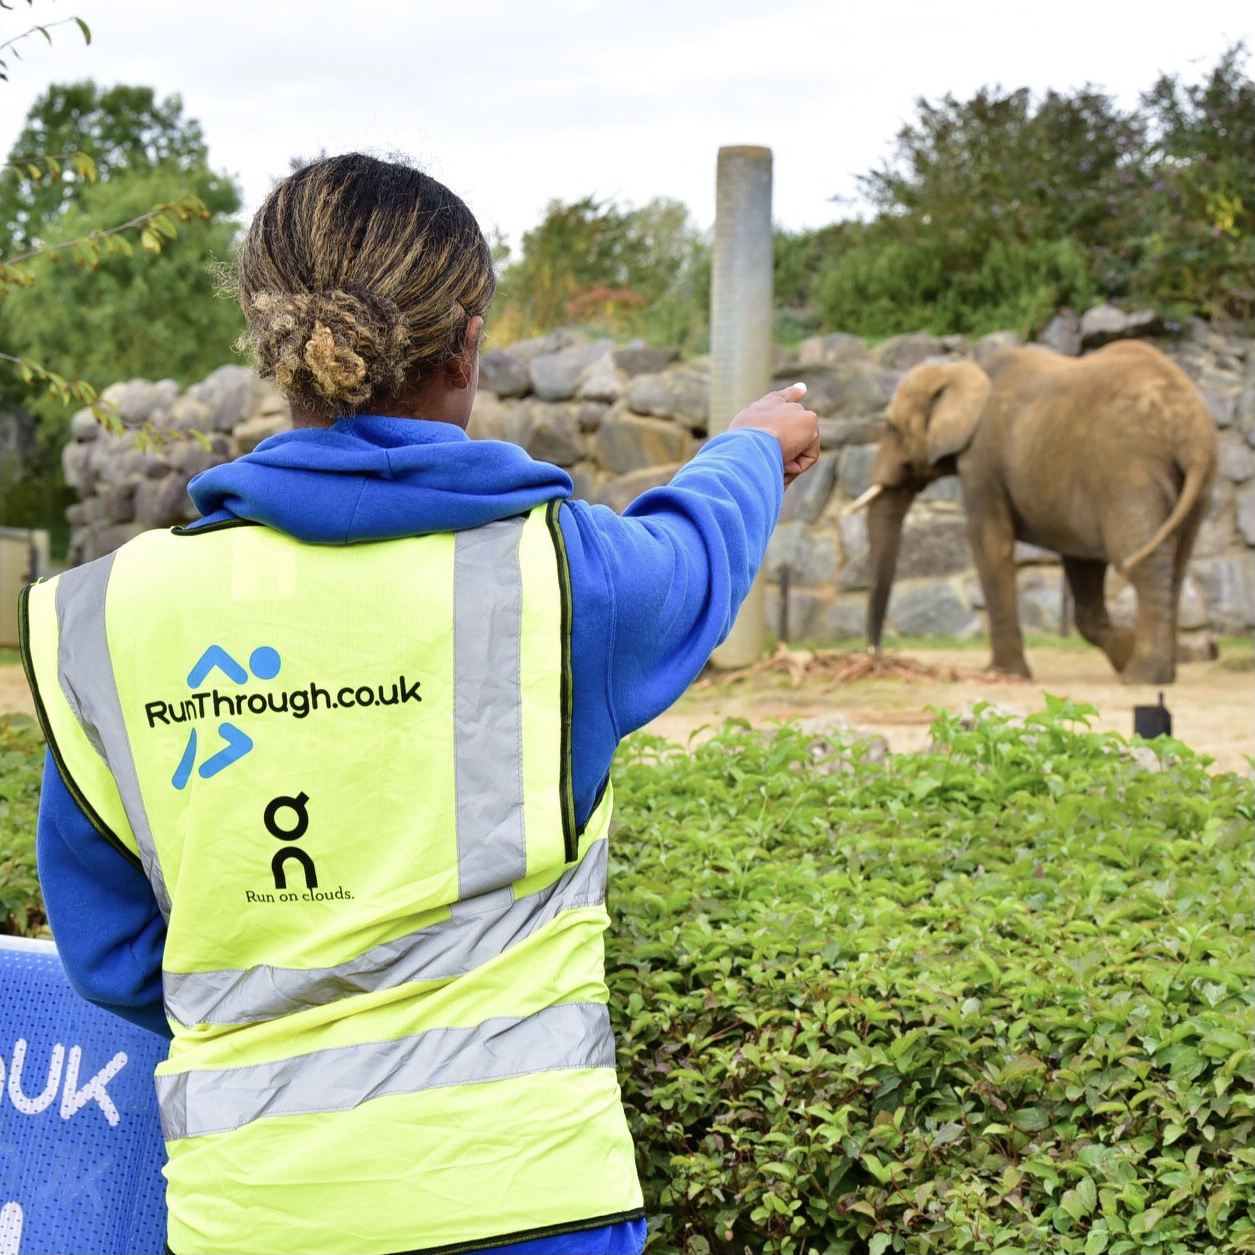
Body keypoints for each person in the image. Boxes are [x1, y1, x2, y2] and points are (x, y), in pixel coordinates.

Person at [21, 152, 819, 1255]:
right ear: (469, 343)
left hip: (255, 1216)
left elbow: (109, 954)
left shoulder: (107, 617)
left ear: (269, 345)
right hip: (533, 1204)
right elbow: (695, 549)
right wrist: (755, 449)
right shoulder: (564, 579)